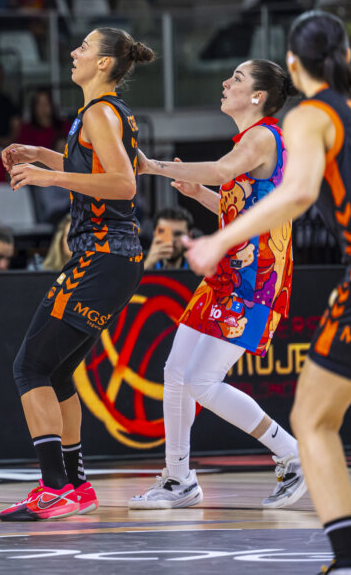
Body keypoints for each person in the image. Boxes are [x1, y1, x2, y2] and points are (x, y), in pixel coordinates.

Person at [185, 12, 351, 574]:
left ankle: (350, 562)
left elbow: (296, 195)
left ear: (292, 64)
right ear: (349, 58)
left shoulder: (314, 114)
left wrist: (222, 241)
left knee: (312, 421)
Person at [130, 59, 304, 510]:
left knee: (203, 381)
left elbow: (225, 172)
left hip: (255, 279)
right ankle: (179, 478)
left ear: (257, 97)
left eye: (238, 79)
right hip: (227, 274)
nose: (226, 83)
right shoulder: (249, 143)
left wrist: (154, 166)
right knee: (175, 374)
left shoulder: (263, 136)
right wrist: (199, 195)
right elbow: (237, 204)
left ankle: (291, 453)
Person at [0, 27, 155, 521]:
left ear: (105, 64)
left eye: (84, 47)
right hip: (111, 258)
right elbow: (95, 168)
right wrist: (40, 155)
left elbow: (123, 184)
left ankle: (54, 487)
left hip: (104, 256)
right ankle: (76, 486)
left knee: (31, 368)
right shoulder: (106, 113)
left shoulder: (101, 112)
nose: (74, 52)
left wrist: (49, 176)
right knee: (58, 369)